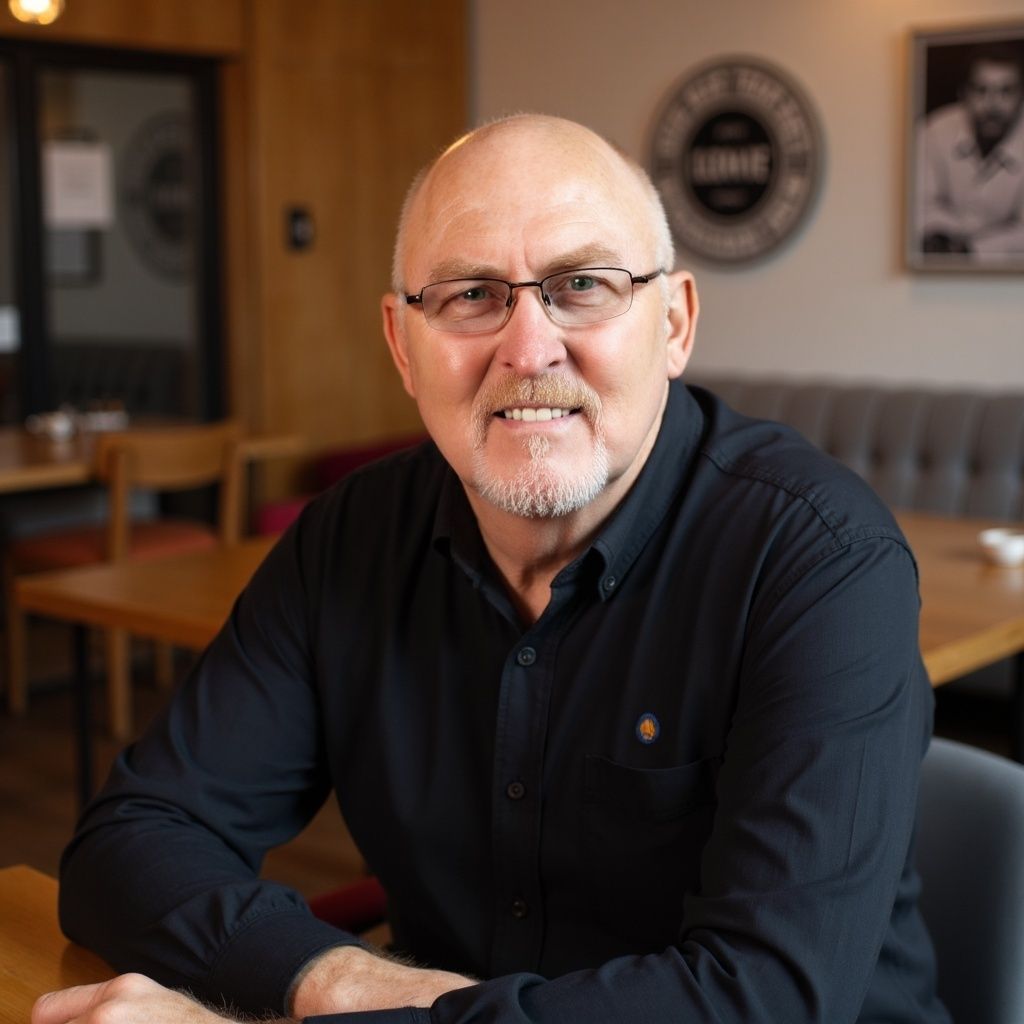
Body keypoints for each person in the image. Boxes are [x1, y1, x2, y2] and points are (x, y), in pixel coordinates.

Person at [34, 114, 951, 1024]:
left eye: (582, 285)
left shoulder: (819, 560)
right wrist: (344, 982)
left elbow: (768, 1000)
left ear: (674, 324)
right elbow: (129, 845)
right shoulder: (349, 537)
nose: (527, 347)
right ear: (402, 344)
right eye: (471, 295)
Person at [917, 42, 1024, 259]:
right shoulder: (935, 130)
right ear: (963, 93)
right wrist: (942, 233)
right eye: (981, 90)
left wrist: (973, 249)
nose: (992, 105)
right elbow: (919, 204)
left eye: (1006, 91)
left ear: (1021, 95)